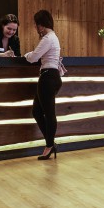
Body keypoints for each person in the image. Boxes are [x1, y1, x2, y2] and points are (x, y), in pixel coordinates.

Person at [23, 10, 62, 160]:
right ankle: (50, 143)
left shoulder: (48, 38)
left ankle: (49, 145)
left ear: (41, 25)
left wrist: (26, 55)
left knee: (48, 113)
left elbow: (33, 58)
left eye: (36, 24)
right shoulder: (53, 37)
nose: (35, 27)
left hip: (48, 77)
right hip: (51, 77)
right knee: (37, 112)